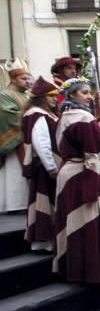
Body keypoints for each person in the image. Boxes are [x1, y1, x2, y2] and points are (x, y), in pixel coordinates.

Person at [53, 77, 100, 284]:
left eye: (89, 92)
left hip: (67, 173)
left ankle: (70, 268)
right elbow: (92, 154)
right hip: (83, 175)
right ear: (72, 95)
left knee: (71, 222)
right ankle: (90, 271)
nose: (90, 97)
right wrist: (93, 187)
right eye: (85, 93)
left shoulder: (63, 116)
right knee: (86, 223)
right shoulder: (83, 118)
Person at [21, 77, 60, 252]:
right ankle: (44, 241)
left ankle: (48, 240)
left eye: (55, 96)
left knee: (49, 202)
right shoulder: (37, 114)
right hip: (44, 167)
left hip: (48, 165)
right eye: (50, 96)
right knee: (44, 203)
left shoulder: (44, 113)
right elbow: (40, 142)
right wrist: (51, 166)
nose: (54, 99)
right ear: (40, 97)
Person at [0, 59, 32, 213]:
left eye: (28, 78)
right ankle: (14, 205)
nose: (28, 81)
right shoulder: (4, 95)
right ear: (13, 79)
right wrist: (32, 117)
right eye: (23, 78)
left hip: (27, 140)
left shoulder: (27, 96)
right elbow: (6, 115)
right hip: (14, 142)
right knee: (15, 173)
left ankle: (27, 203)